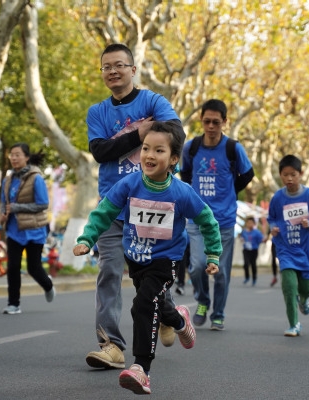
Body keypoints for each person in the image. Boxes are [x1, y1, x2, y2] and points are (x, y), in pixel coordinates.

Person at [73, 121, 221, 395]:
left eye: (159, 150)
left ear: (173, 159)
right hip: (137, 258)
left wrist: (213, 253)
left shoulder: (181, 192)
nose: (149, 155)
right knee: (155, 303)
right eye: (145, 148)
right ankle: (179, 321)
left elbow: (207, 221)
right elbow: (104, 212)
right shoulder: (129, 184)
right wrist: (86, 239)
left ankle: (141, 368)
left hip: (166, 260)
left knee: (143, 304)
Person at [85, 43, 187, 369]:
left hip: (150, 204)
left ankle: (166, 313)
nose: (113, 71)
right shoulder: (97, 112)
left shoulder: (154, 101)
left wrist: (145, 135)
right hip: (113, 206)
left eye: (119, 65)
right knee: (109, 272)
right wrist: (139, 133)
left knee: (148, 276)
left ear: (132, 69)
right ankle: (111, 346)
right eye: (106, 67)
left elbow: (175, 134)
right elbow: (100, 152)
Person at [180, 99, 254, 331]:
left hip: (224, 220)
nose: (211, 126)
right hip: (197, 219)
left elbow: (248, 174)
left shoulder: (233, 148)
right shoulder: (191, 148)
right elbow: (185, 174)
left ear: (224, 122)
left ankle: (218, 314)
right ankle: (203, 301)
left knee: (220, 272)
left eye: (216, 122)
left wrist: (230, 191)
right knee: (197, 266)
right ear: (201, 121)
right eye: (207, 121)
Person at [268, 155, 309, 336]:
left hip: (307, 248)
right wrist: (273, 228)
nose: (289, 179)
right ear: (280, 175)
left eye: (293, 175)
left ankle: (304, 299)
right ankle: (294, 324)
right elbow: (271, 218)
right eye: (285, 175)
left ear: (300, 174)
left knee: (306, 288)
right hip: (286, 248)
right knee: (289, 286)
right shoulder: (278, 197)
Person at [0, 143, 55, 315]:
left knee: (33, 268)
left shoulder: (36, 178)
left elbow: (43, 204)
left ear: (26, 157)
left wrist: (17, 208)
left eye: (17, 154)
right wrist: (3, 214)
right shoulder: (8, 180)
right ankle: (13, 304)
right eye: (12, 155)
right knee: (13, 267)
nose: (14, 158)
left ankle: (48, 285)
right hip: (14, 230)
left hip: (34, 230)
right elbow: (4, 202)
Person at [240, 216, 265, 286]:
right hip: (246, 250)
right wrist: (242, 239)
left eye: (251, 223)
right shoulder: (244, 231)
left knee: (253, 264)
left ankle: (254, 278)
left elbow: (261, 239)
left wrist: (262, 240)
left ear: (254, 224)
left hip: (254, 250)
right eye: (248, 223)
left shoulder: (257, 232)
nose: (249, 224)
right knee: (246, 264)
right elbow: (241, 237)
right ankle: (247, 277)